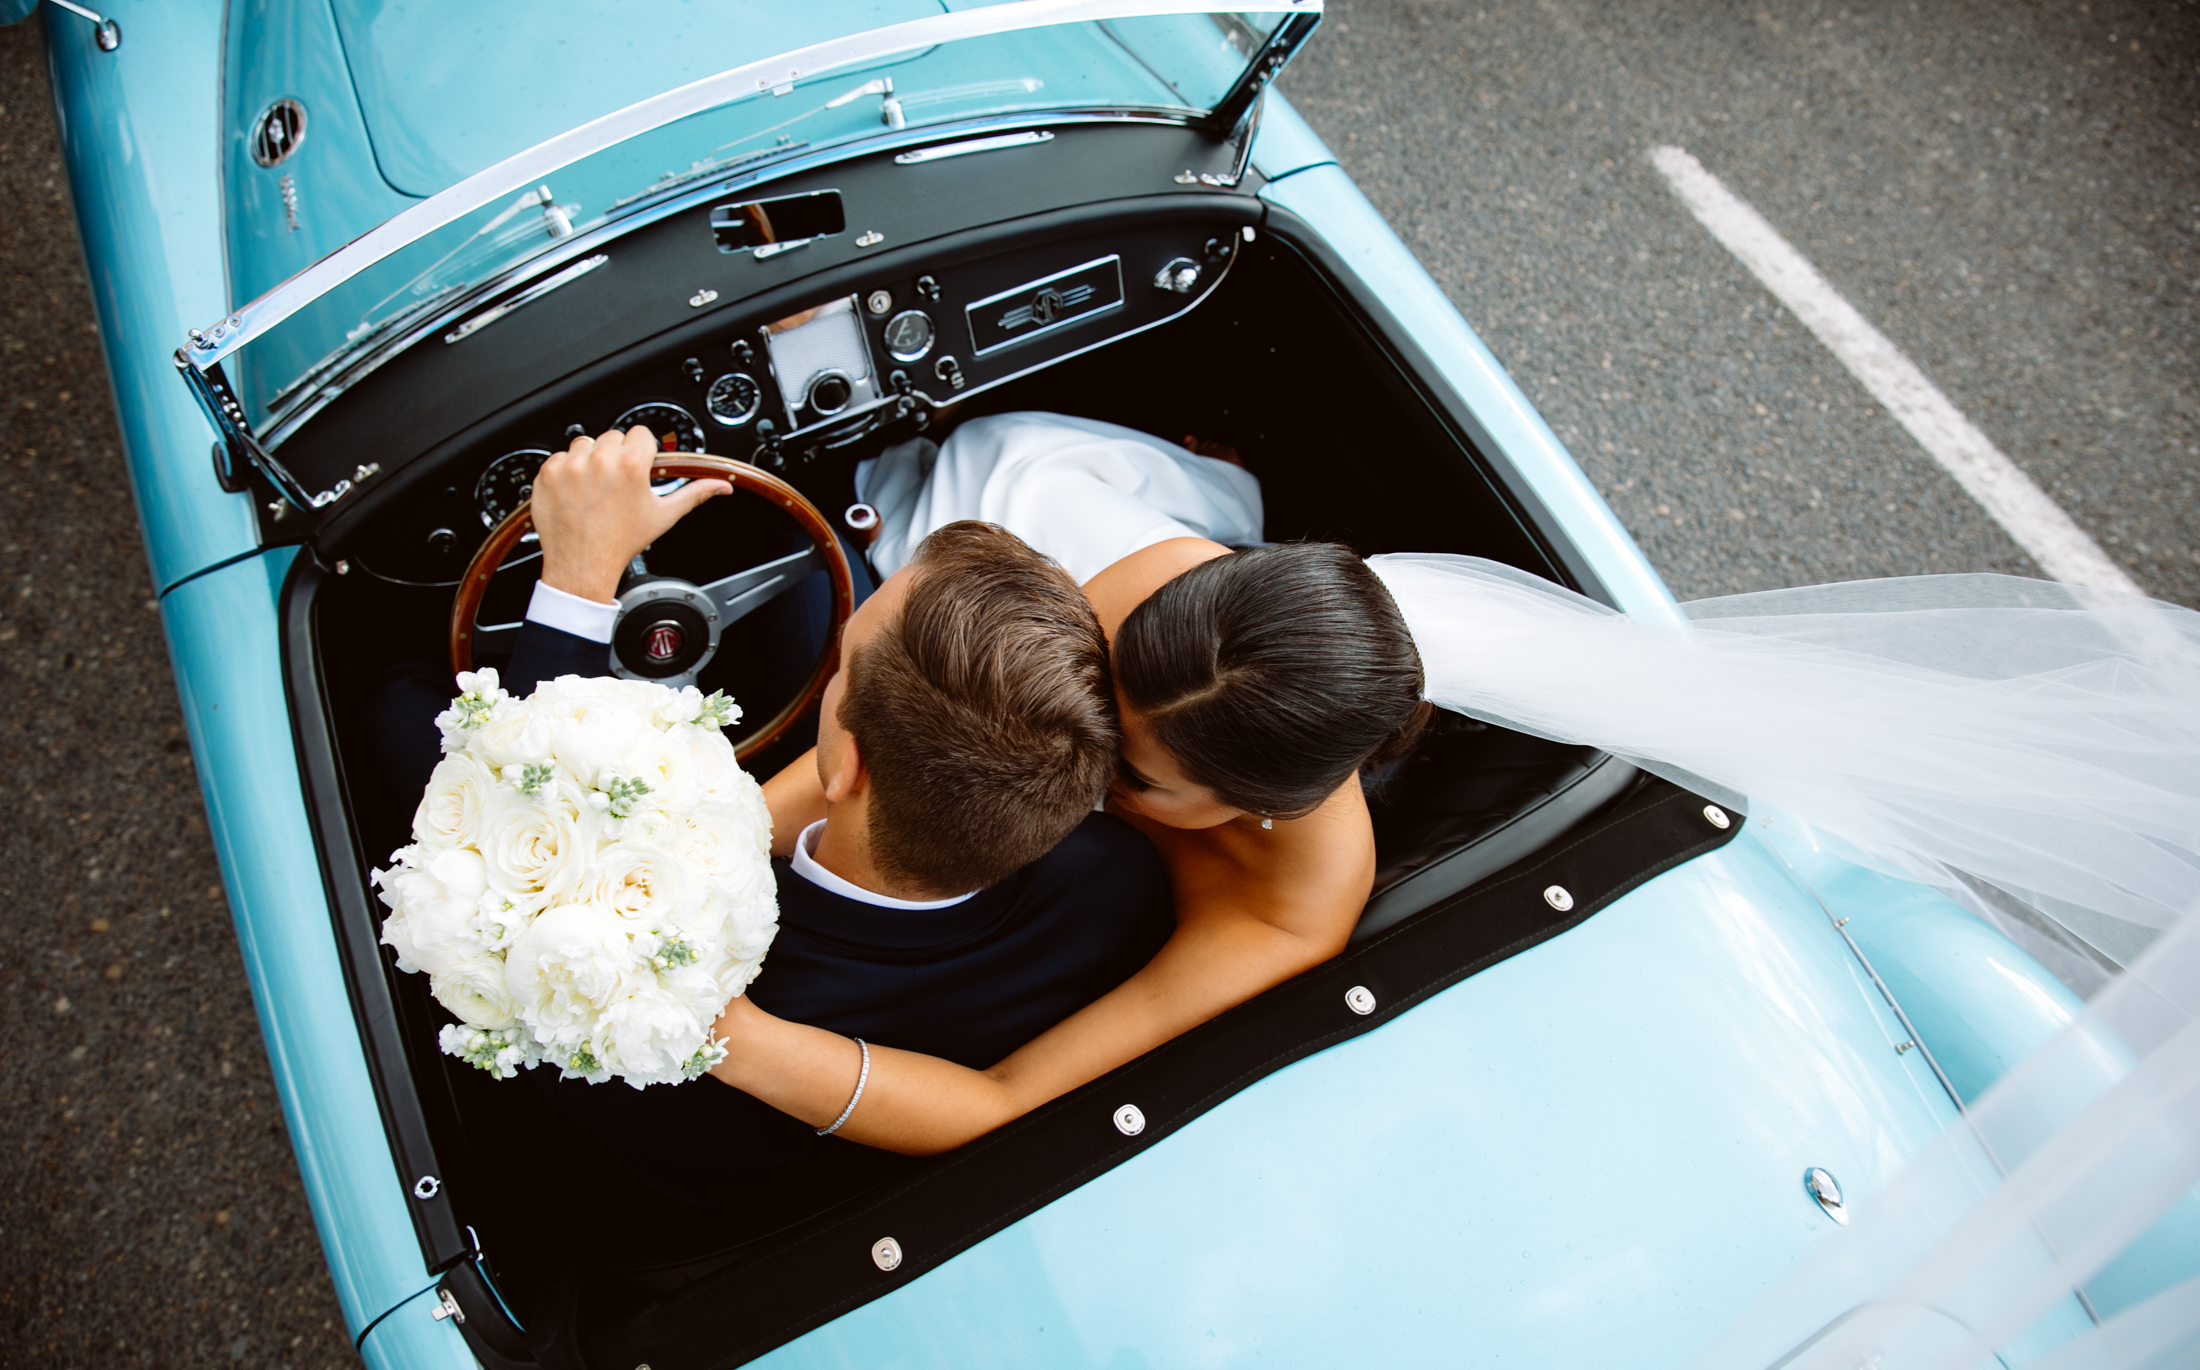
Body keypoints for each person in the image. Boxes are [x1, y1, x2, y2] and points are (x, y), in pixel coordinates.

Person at [703, 409, 2200, 1157]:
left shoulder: (1298, 901)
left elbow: (1014, 1096)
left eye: (1133, 772)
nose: (1079, 742)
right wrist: (695, 845)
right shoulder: (1116, 597)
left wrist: (745, 1041)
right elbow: (875, 740)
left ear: (1257, 807)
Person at [462, 426, 1175, 1212]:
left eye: (842, 665)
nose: (831, 668)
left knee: (389, 703)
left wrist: (575, 580)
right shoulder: (1124, 878)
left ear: (844, 764)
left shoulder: (646, 1019)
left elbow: (508, 878)